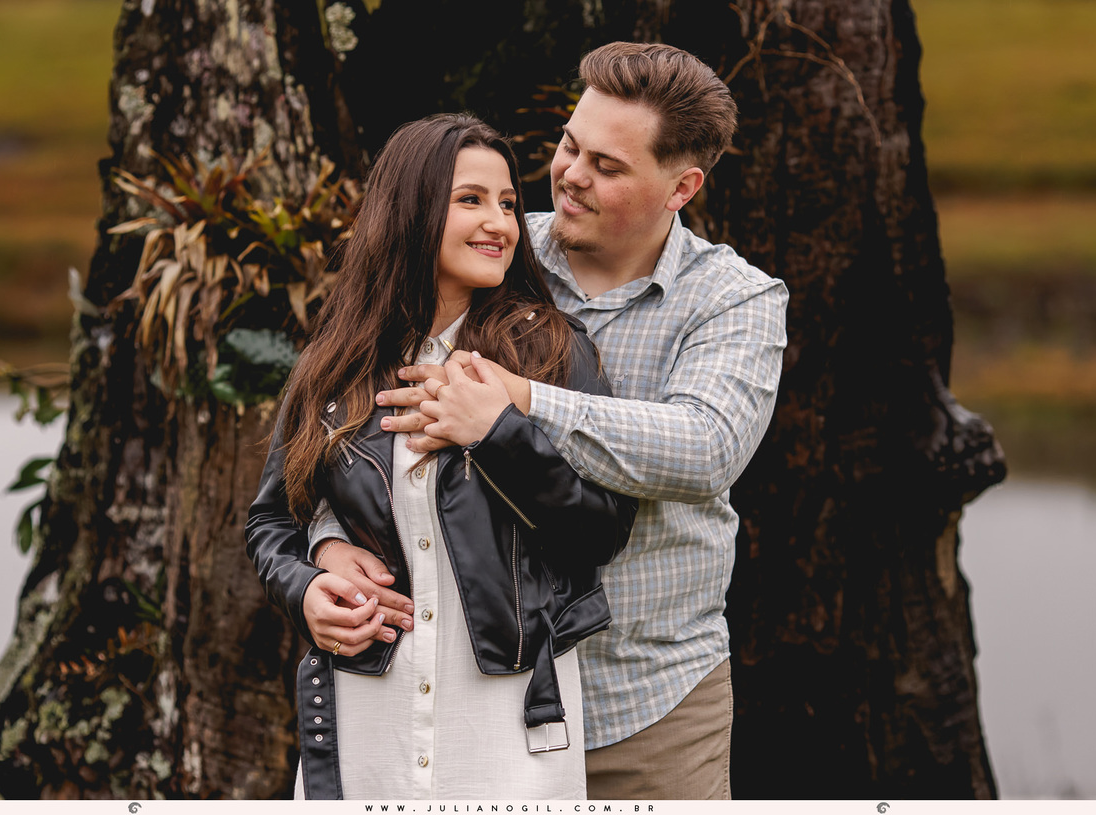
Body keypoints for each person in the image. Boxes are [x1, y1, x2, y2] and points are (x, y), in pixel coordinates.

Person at [314, 43, 789, 799]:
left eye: (607, 165)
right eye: (571, 144)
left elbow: (706, 448)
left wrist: (520, 401)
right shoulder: (495, 245)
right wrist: (328, 541)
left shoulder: (734, 299)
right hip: (482, 696)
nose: (570, 173)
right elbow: (360, 412)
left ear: (682, 187)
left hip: (649, 700)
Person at [245, 113, 636, 800]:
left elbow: (599, 532)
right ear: (411, 210)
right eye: (471, 199)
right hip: (367, 716)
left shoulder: (552, 351)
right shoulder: (333, 365)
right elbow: (272, 521)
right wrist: (307, 584)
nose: (501, 223)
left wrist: (495, 432)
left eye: (509, 203)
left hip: (507, 725)